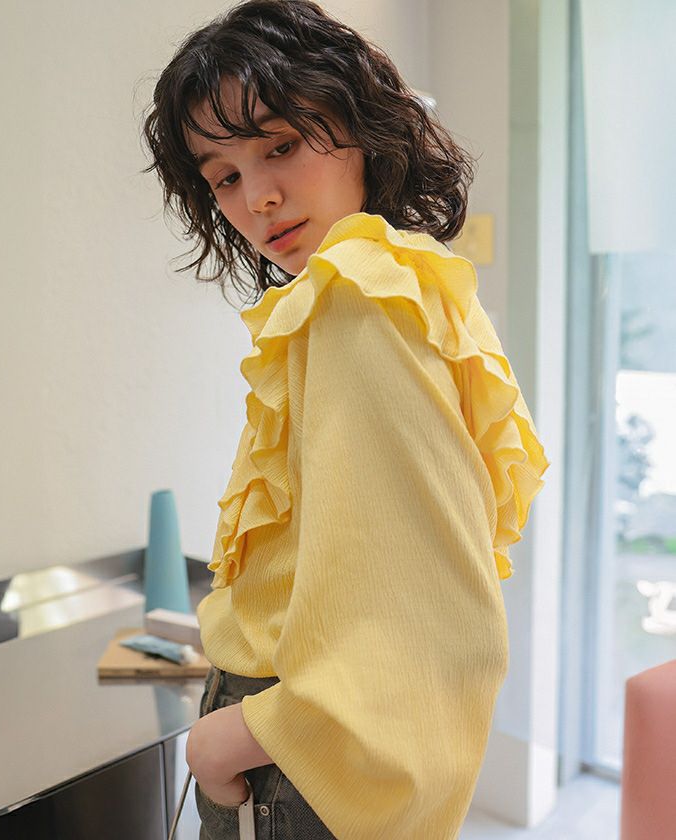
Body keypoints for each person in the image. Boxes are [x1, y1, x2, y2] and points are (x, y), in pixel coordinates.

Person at [141, 1, 551, 838]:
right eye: (224, 177)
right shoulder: (408, 277)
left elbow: (438, 609)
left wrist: (232, 739)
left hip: (294, 759)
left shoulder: (355, 300)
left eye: (280, 145)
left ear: (358, 125)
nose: (258, 198)